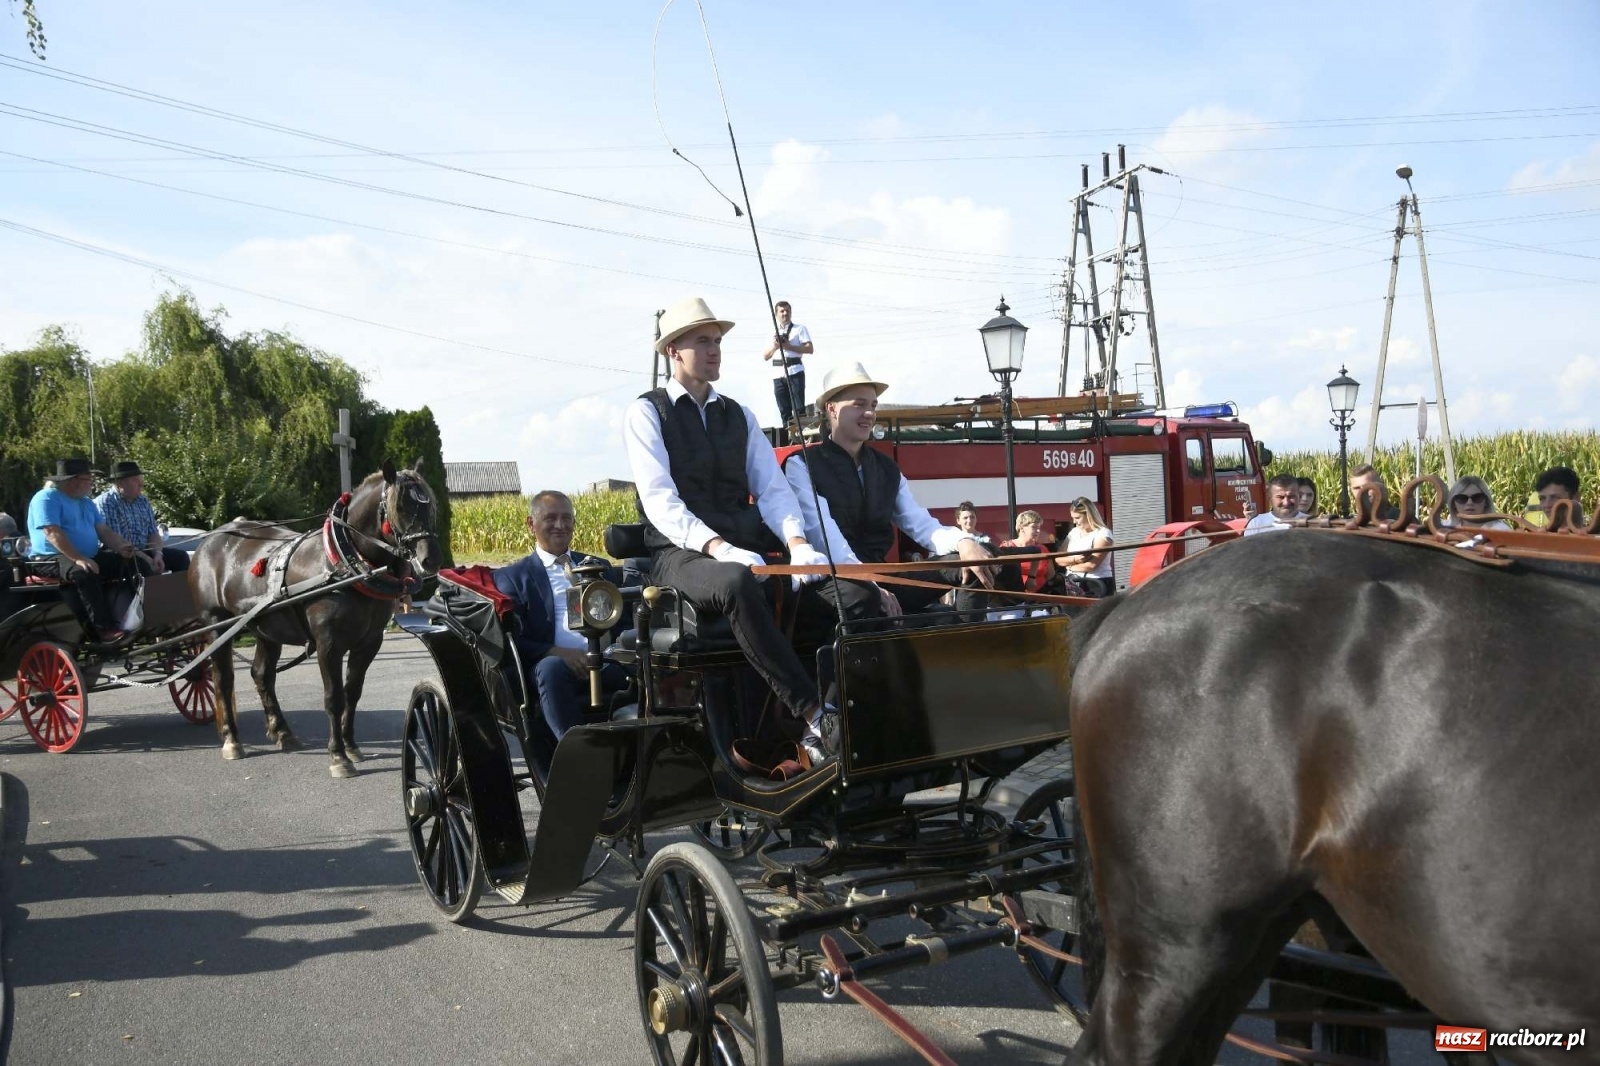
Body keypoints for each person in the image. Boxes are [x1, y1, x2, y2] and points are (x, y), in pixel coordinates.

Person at [623, 297, 834, 759]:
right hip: (680, 555)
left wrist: (798, 545)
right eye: (703, 341)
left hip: (746, 546)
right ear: (672, 351)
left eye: (718, 341)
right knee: (737, 581)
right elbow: (661, 501)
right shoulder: (647, 413)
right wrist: (718, 546)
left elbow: (774, 489)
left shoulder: (739, 415)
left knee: (841, 593)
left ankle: (847, 708)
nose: (715, 350)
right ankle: (815, 714)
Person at [782, 363, 995, 621]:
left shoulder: (887, 468)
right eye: (859, 404)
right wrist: (870, 583)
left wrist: (964, 543)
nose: (869, 413)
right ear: (831, 408)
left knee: (976, 562)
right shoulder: (801, 464)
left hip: (882, 576)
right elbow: (823, 534)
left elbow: (920, 523)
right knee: (864, 597)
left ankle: (966, 645)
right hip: (834, 582)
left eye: (873, 405)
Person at [494, 490, 627, 744]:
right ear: (531, 524)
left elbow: (623, 620)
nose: (560, 525)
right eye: (551, 518)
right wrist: (557, 652)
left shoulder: (598, 567)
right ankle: (576, 751)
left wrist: (611, 651)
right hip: (554, 668)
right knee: (550, 668)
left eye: (567, 518)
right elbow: (511, 638)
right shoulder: (512, 577)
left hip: (606, 661)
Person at [26, 458, 138, 642]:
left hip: (86, 556)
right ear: (73, 481)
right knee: (84, 572)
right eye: (88, 478)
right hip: (50, 558)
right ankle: (103, 628)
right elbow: (52, 532)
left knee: (132, 563)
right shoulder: (46, 498)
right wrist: (78, 558)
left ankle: (139, 615)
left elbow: (104, 531)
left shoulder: (86, 502)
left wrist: (122, 547)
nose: (91, 483)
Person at [94, 461, 190, 574]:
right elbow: (117, 541)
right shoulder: (106, 502)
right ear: (119, 483)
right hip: (122, 553)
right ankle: (151, 591)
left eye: (140, 479)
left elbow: (153, 533)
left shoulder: (143, 501)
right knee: (143, 566)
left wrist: (158, 554)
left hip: (145, 550)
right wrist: (146, 559)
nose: (141, 483)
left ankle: (181, 591)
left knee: (181, 557)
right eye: (135, 480)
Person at [761, 300, 812, 442]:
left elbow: (809, 349)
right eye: (782, 311)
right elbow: (765, 356)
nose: (785, 313)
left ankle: (802, 436)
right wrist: (775, 347)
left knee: (798, 406)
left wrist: (789, 346)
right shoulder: (771, 332)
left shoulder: (799, 329)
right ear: (776, 314)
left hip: (795, 370)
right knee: (783, 408)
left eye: (787, 310)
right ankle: (790, 437)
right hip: (777, 373)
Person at [1058, 497, 1115, 597]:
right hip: (1074, 583)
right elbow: (1058, 559)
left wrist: (1069, 565)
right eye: (1073, 518)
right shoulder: (1073, 533)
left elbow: (1091, 565)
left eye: (1077, 518)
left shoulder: (1103, 533)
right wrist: (1077, 560)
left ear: (1089, 515)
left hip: (1097, 583)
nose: (1074, 522)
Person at [999, 510, 1054, 593]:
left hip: (1042, 597)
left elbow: (1051, 574)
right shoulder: (1007, 548)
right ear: (1022, 528)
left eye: (1039, 528)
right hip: (1017, 597)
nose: (1038, 531)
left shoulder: (1043, 549)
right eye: (1034, 527)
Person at [1443, 475, 1511, 531]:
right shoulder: (1443, 528)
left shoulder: (1501, 531)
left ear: (1486, 502)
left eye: (1477, 498)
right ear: (1453, 503)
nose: (1469, 503)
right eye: (1462, 498)